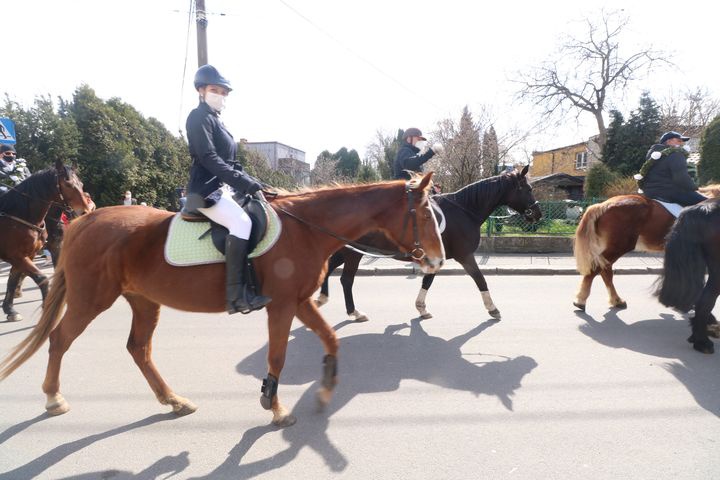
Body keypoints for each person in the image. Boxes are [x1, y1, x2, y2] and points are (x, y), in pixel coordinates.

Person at [185, 64, 271, 314]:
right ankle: (237, 296)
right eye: (214, 90)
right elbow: (209, 158)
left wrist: (256, 182)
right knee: (242, 223)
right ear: (201, 90)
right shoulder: (198, 117)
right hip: (205, 191)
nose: (220, 95)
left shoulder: (216, 121)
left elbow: (233, 164)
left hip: (222, 189)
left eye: (223, 92)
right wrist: (244, 183)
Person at [637, 131, 706, 206]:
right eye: (678, 141)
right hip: (670, 192)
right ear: (669, 141)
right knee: (711, 205)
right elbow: (681, 178)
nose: (681, 144)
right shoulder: (676, 154)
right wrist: (694, 188)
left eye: (681, 142)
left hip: (649, 192)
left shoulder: (653, 155)